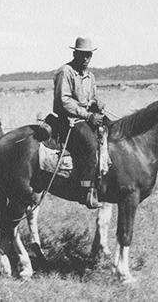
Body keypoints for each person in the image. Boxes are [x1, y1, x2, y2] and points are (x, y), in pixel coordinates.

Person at [53, 36, 107, 209]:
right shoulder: (65, 72)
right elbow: (64, 101)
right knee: (91, 145)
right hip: (69, 120)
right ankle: (86, 192)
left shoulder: (90, 76)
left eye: (88, 55)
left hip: (85, 117)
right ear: (75, 53)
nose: (86, 58)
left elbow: (93, 98)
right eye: (82, 54)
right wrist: (88, 116)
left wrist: (96, 107)